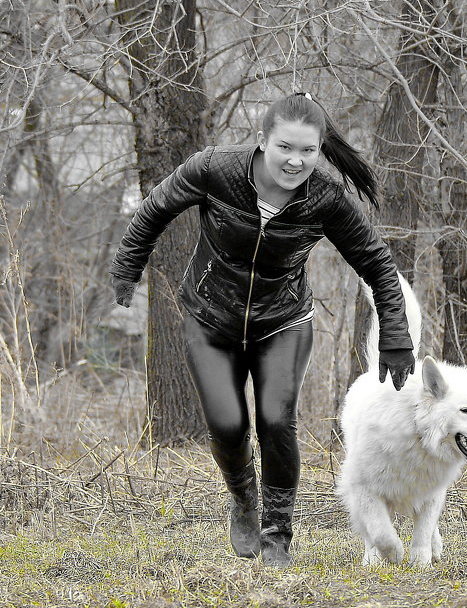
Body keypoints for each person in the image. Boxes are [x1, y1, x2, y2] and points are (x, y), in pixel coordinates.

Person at [110, 92, 415, 567]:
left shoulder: (325, 199)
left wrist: (395, 333)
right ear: (261, 141)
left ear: (320, 151)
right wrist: (127, 268)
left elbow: (377, 263)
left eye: (308, 151)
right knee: (228, 424)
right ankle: (244, 500)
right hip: (211, 318)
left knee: (276, 420)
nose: (295, 161)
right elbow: (154, 210)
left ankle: (278, 533)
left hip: (283, 321)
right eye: (285, 148)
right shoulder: (215, 169)